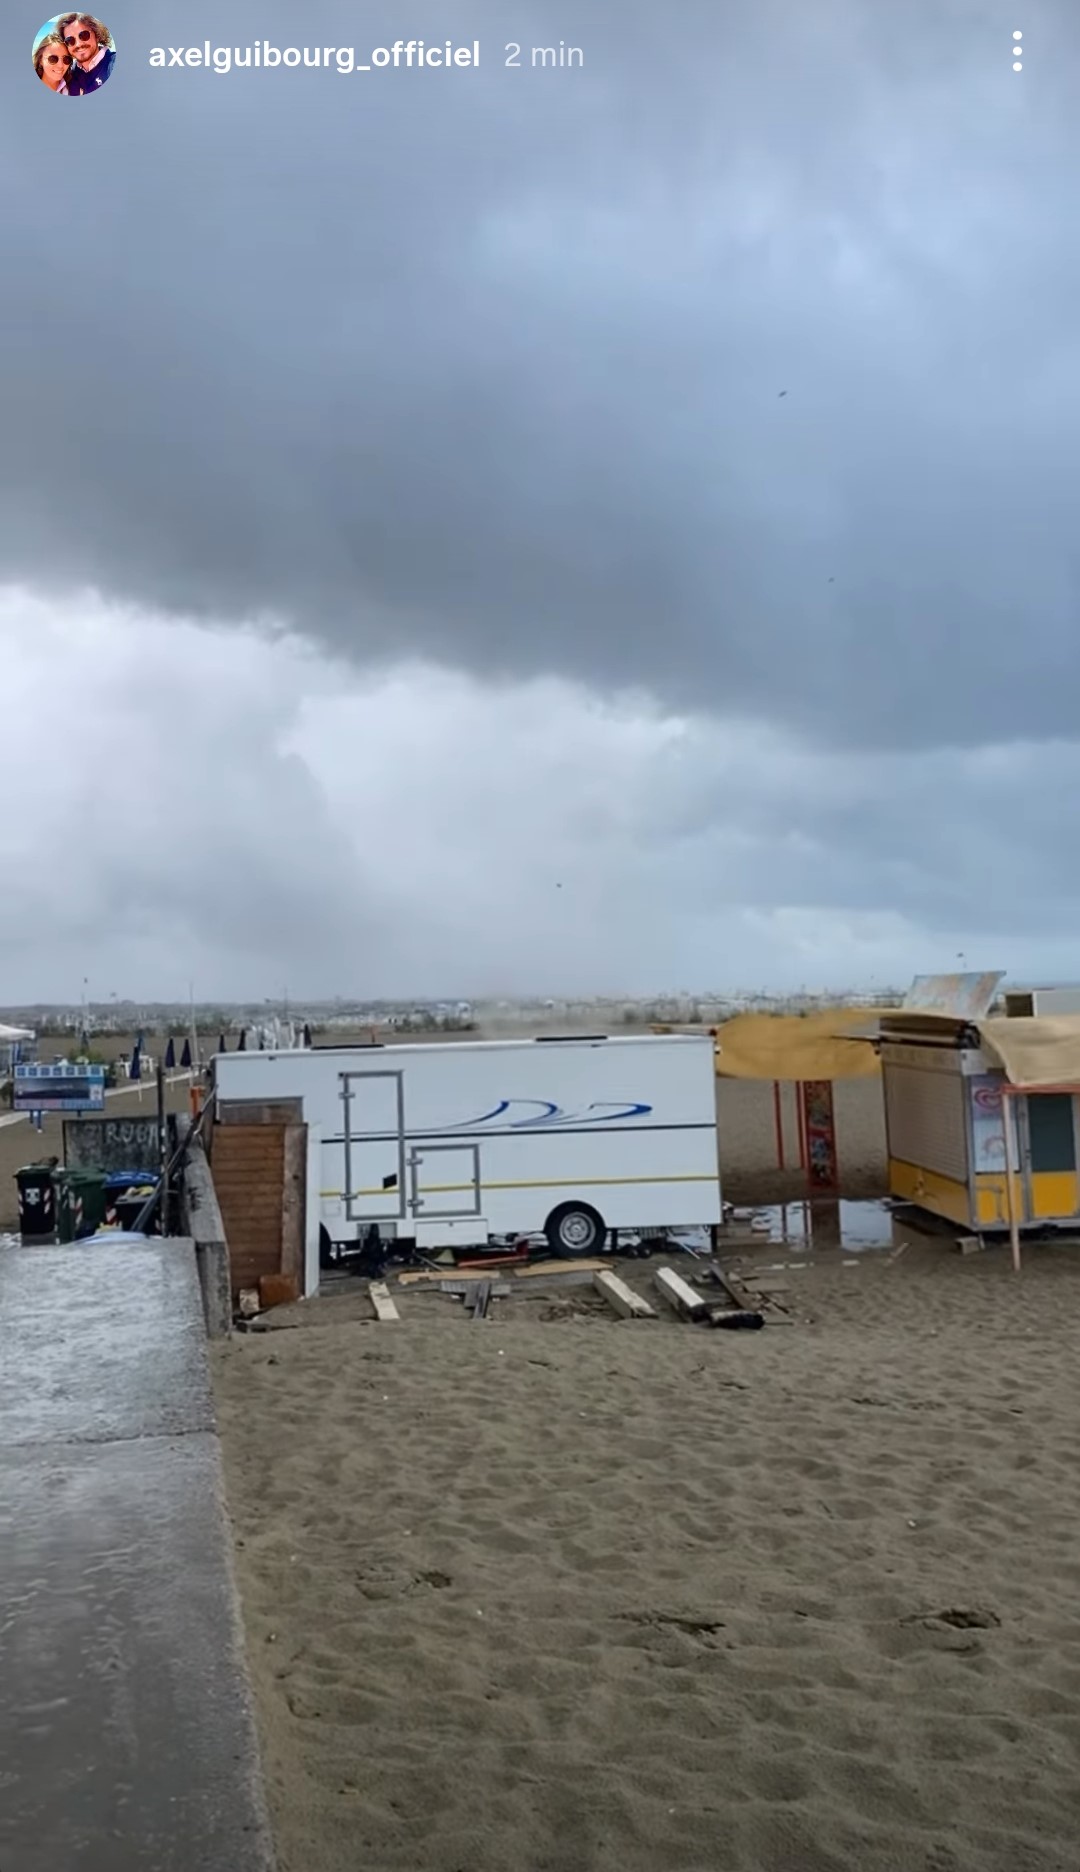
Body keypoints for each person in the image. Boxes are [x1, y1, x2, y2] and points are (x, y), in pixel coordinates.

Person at [57, 13, 114, 94]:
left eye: (84, 35)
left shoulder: (112, 64)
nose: (78, 44)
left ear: (97, 35)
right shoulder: (70, 75)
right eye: (70, 40)